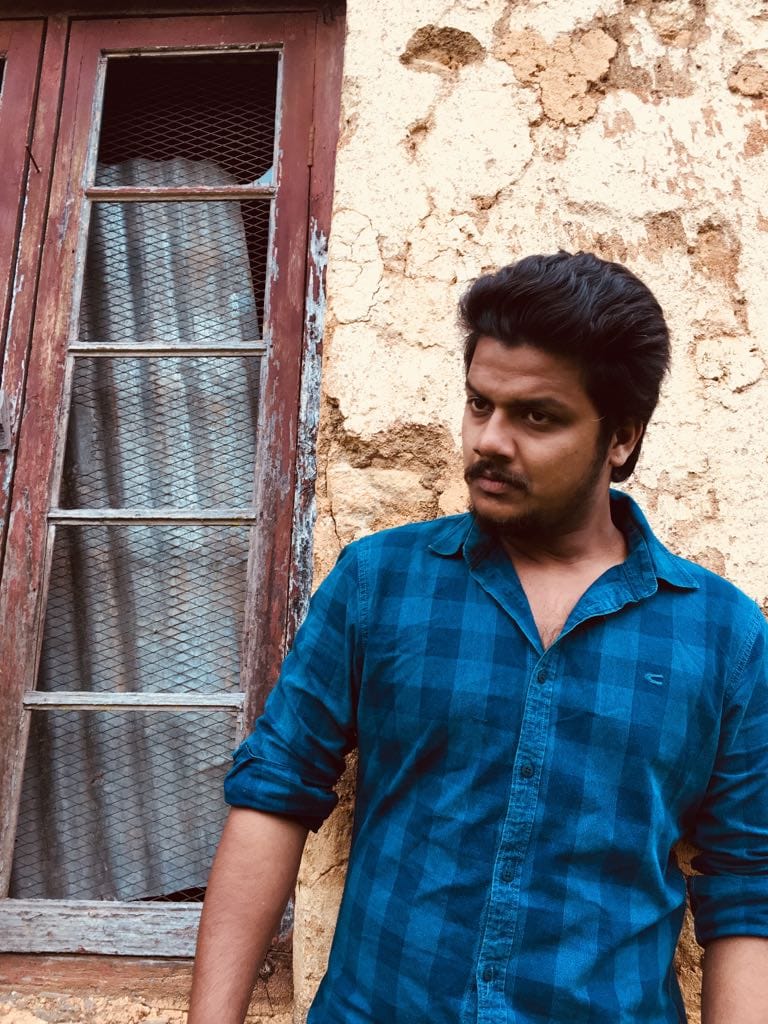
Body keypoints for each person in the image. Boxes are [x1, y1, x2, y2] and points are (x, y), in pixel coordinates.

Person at [188, 251, 768, 1024]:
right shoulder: (379, 582)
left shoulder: (723, 636)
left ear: (622, 439)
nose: (490, 440)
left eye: (537, 417)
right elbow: (272, 798)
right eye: (479, 404)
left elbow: (748, 887)